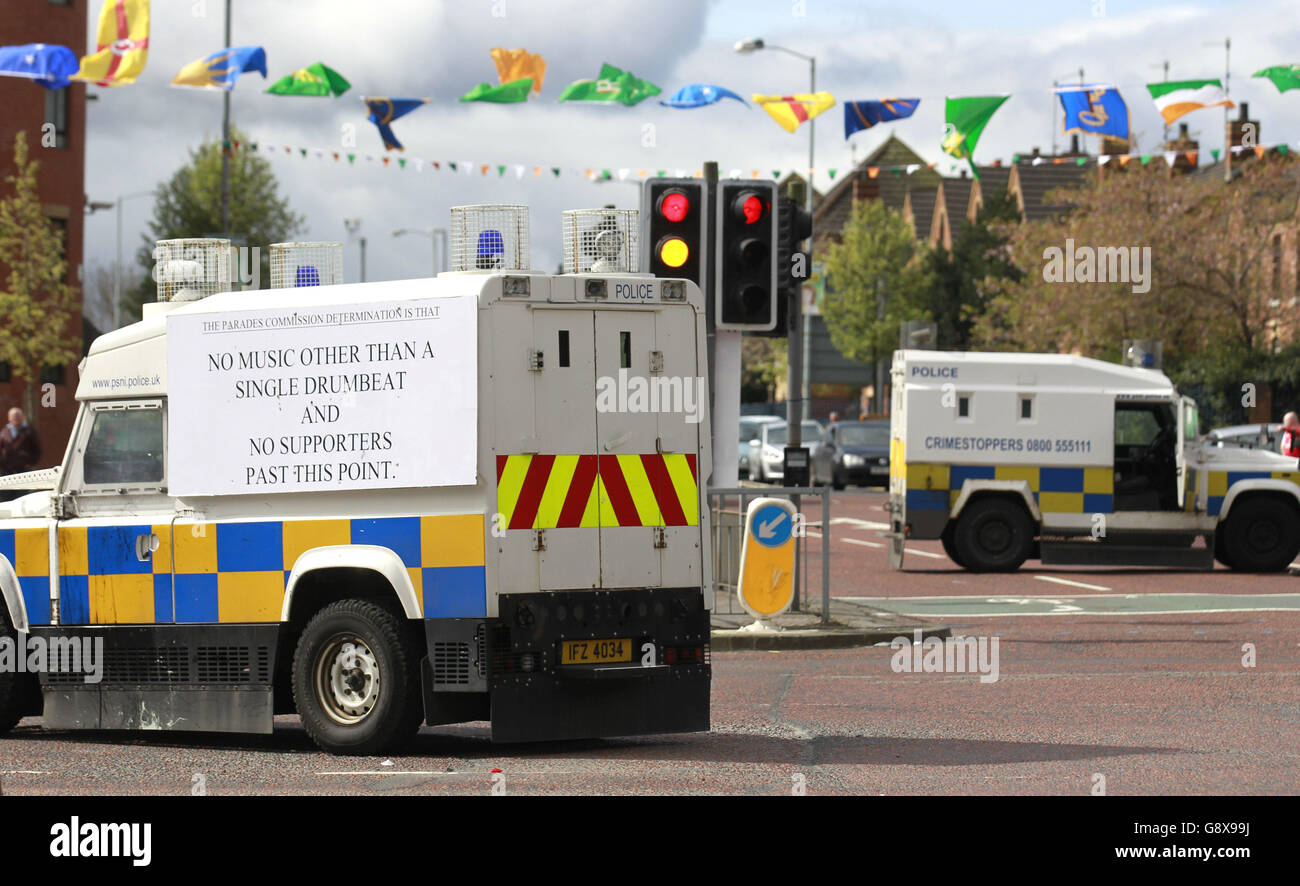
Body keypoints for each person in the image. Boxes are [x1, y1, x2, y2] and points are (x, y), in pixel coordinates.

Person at [0, 408, 41, 475]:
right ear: (9, 418)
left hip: (24, 468)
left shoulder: (29, 431)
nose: (16, 418)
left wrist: (30, 463)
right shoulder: (4, 433)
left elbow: (37, 449)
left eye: (18, 416)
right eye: (14, 416)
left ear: (22, 417)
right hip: (7, 469)